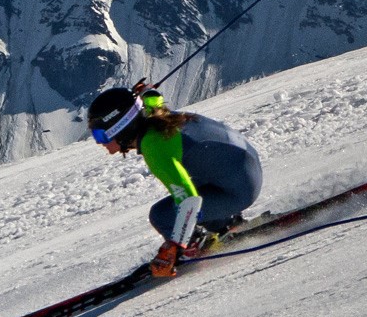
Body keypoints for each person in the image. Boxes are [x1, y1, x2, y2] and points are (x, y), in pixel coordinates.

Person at [87, 85, 262, 278]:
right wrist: (145, 92)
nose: (98, 142)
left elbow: (189, 200)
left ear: (121, 129)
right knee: (193, 175)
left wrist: (175, 245)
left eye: (101, 135)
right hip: (244, 164)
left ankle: (192, 249)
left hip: (239, 189)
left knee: (162, 215)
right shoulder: (153, 112)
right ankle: (225, 225)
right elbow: (152, 98)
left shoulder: (154, 146)